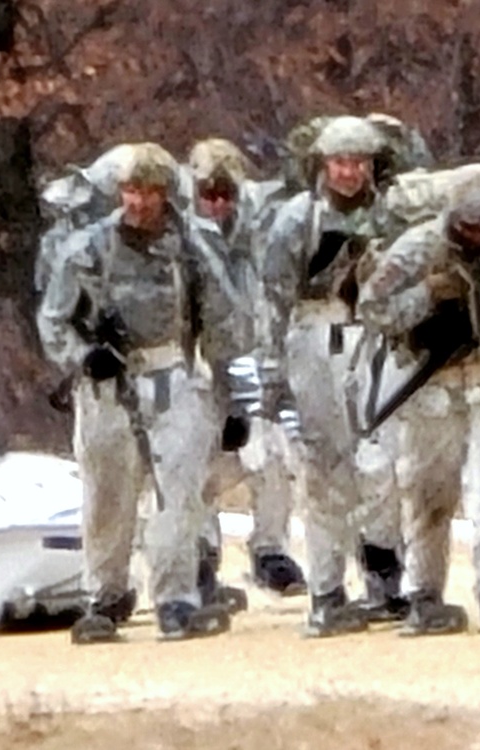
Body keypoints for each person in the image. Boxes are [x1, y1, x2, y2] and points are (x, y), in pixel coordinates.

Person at [38, 143, 250, 643]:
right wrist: (84, 355)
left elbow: (223, 321)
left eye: (150, 192)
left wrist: (233, 396)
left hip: (171, 372)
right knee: (109, 493)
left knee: (180, 492)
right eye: (132, 191)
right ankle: (105, 594)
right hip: (107, 384)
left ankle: (176, 597)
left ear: (166, 194)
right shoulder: (88, 248)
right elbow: (55, 319)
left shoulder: (193, 246)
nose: (139, 202)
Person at [359, 164, 480, 635]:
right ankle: (424, 593)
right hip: (432, 384)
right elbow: (373, 309)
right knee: (428, 492)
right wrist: (426, 297)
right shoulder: (418, 249)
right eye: (472, 222)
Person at [263, 116, 407, 636]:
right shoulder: (295, 220)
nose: (349, 172)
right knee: (325, 467)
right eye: (340, 162)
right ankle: (327, 590)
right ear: (323, 164)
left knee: (385, 462)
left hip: (374, 336)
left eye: (359, 162)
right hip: (315, 338)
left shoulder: (392, 214)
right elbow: (273, 301)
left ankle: (387, 575)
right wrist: (270, 374)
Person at [186, 138, 307, 597]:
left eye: (226, 193)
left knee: (270, 454)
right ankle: (200, 554)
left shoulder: (262, 228)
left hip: (252, 357)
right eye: (208, 193)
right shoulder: (180, 234)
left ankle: (270, 549)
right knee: (193, 462)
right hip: (197, 361)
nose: (218, 202)